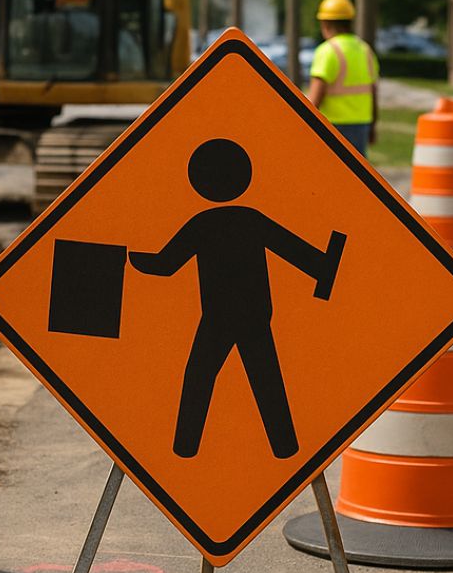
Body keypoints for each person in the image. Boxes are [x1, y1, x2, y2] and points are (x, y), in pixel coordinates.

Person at [127, 139, 344, 459]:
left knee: (199, 375)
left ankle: (185, 448)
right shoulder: (250, 218)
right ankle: (285, 447)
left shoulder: (202, 223)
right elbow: (291, 249)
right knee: (265, 376)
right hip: (256, 313)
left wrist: (133, 258)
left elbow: (166, 264)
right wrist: (322, 266)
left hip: (217, 317)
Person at [306, 0, 379, 157]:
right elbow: (373, 92)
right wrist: (373, 126)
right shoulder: (365, 50)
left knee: (329, 176)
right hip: (361, 124)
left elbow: (314, 98)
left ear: (324, 23)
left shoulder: (327, 51)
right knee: (355, 177)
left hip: (332, 127)